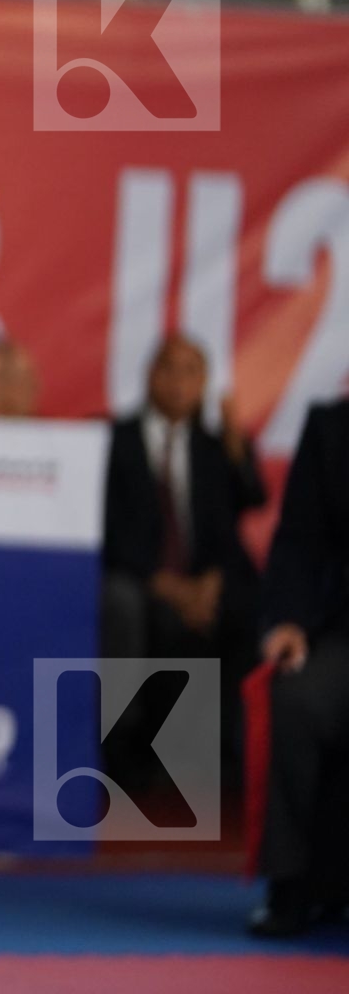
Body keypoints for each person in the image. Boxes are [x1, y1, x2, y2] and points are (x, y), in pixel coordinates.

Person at [101, 334, 265, 786]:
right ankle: (125, 746)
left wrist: (238, 448)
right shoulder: (116, 440)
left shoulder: (216, 444)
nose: (178, 382)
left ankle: (233, 755)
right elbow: (109, 527)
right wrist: (166, 584)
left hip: (209, 579)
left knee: (251, 610)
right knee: (128, 605)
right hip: (142, 576)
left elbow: (250, 500)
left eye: (192, 371)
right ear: (149, 375)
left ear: (205, 383)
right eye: (169, 369)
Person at [251, 396, 349, 937]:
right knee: (298, 696)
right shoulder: (332, 426)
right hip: (342, 634)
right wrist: (286, 620)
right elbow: (299, 540)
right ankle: (291, 887)